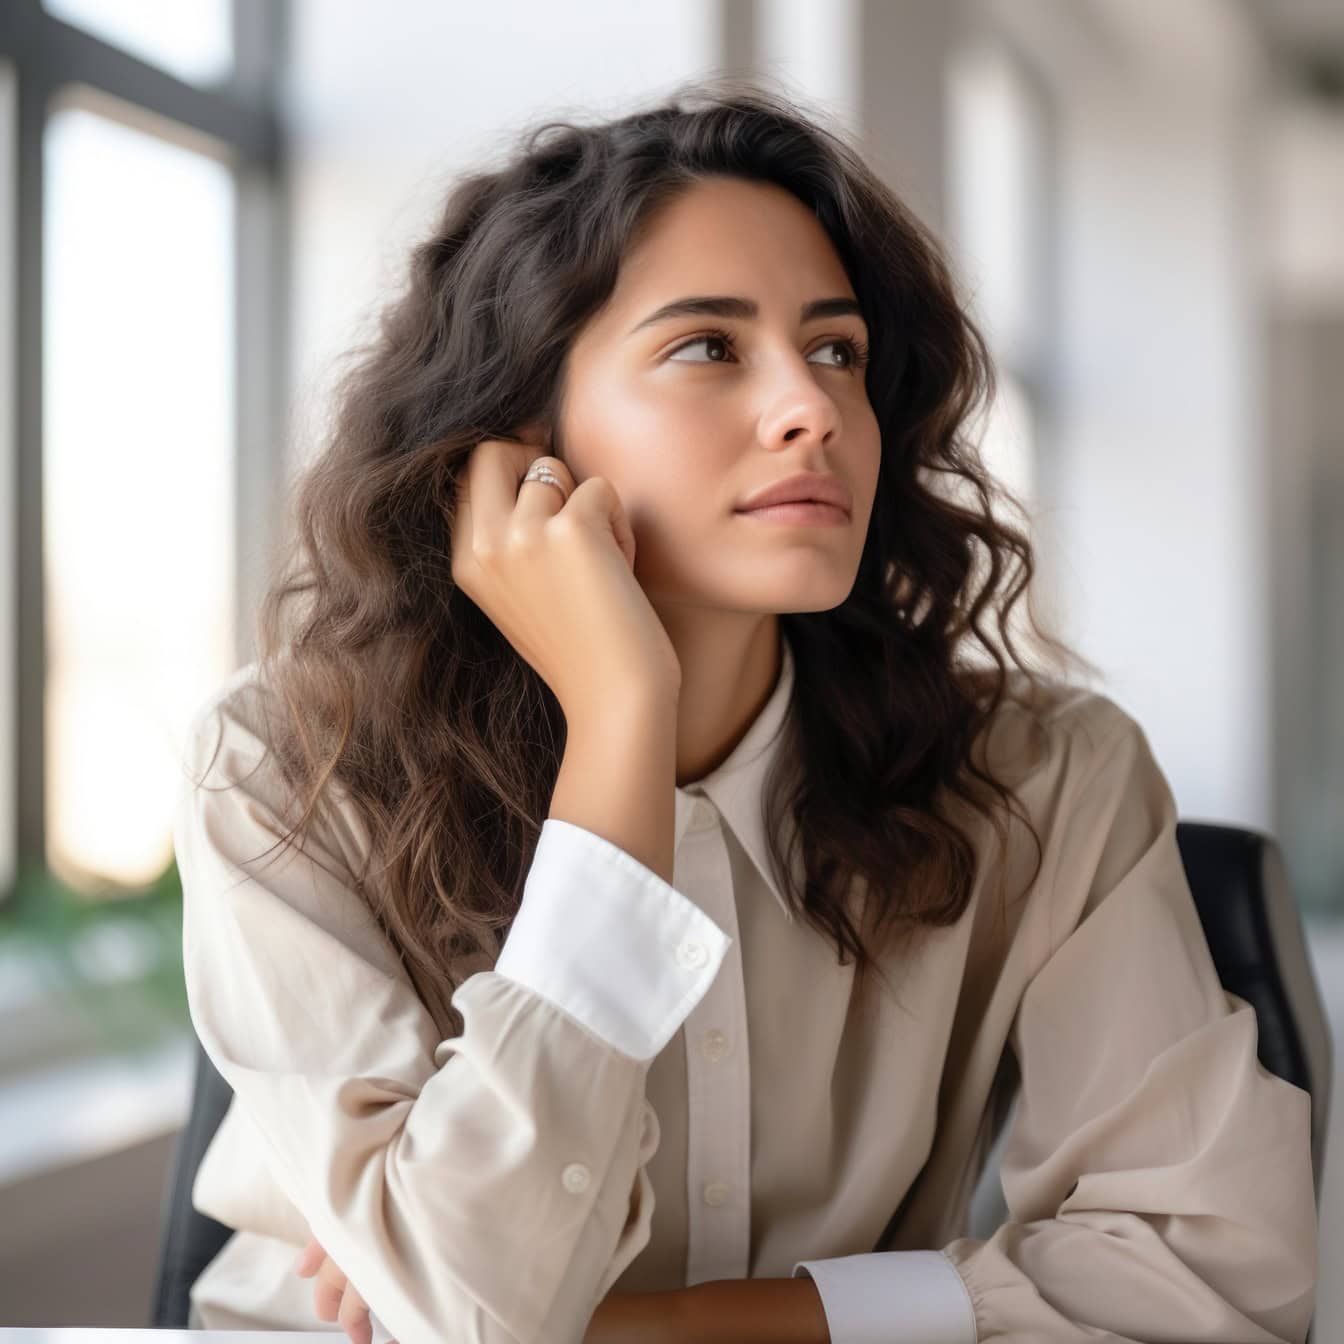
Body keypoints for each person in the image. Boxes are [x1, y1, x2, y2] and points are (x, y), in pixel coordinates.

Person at [174, 76, 1317, 1344]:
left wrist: (652, 1329)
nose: (813, 408)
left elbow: (1211, 1276)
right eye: (708, 347)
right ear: (514, 442)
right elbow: (477, 1314)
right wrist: (619, 723)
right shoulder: (286, 767)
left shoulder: (1047, 779)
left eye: (838, 350)